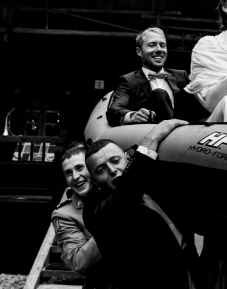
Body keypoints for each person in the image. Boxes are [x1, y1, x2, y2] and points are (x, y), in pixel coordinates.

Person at [83, 119, 205, 289]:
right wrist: (150, 141)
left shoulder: (153, 185)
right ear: (95, 180)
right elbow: (121, 204)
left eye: (115, 160)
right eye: (100, 170)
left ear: (127, 158)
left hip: (190, 277)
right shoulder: (94, 206)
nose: (112, 170)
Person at [106, 27, 201, 126]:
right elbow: (114, 110)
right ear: (139, 52)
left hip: (186, 132)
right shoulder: (128, 81)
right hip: (150, 132)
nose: (159, 49)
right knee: (159, 93)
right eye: (152, 45)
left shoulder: (182, 76)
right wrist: (133, 115)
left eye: (162, 45)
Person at [51, 143, 110, 289]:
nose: (76, 177)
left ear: (92, 167)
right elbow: (79, 262)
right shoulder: (64, 214)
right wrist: (111, 222)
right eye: (69, 173)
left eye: (79, 168)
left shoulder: (114, 188)